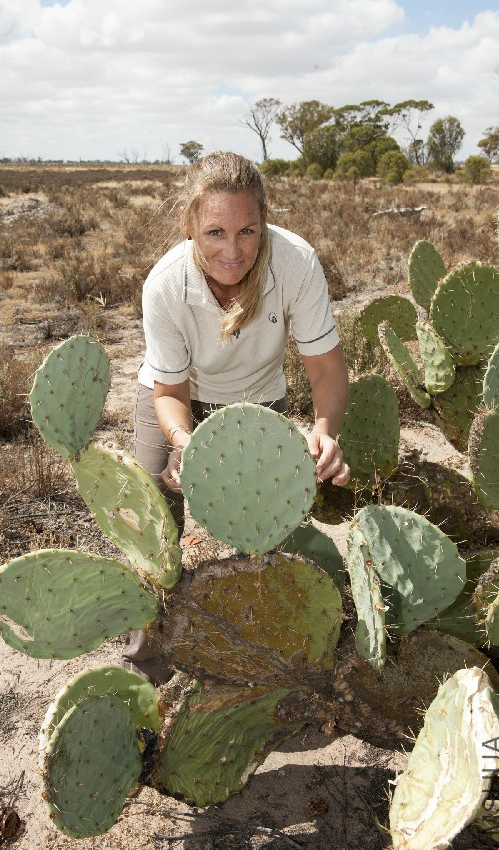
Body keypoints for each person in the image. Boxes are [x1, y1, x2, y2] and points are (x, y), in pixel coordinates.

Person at [123, 150, 350, 681]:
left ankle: (269, 659)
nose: (233, 251)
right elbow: (170, 390)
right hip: (175, 398)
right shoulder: (164, 285)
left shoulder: (294, 263)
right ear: (189, 227)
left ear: (264, 220)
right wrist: (184, 443)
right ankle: (146, 669)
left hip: (257, 398)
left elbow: (326, 369)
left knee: (268, 526)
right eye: (215, 233)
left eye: (247, 231)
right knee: (151, 525)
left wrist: (324, 435)